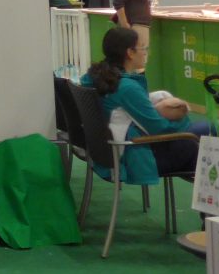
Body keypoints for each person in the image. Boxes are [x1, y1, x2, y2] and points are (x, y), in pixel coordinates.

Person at [81, 26, 206, 184]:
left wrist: (155, 108)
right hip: (134, 158)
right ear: (130, 52)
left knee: (200, 145)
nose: (146, 52)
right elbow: (160, 128)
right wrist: (181, 115)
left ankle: (209, 190)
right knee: (207, 130)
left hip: (106, 155)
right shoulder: (127, 87)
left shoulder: (92, 77)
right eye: (143, 48)